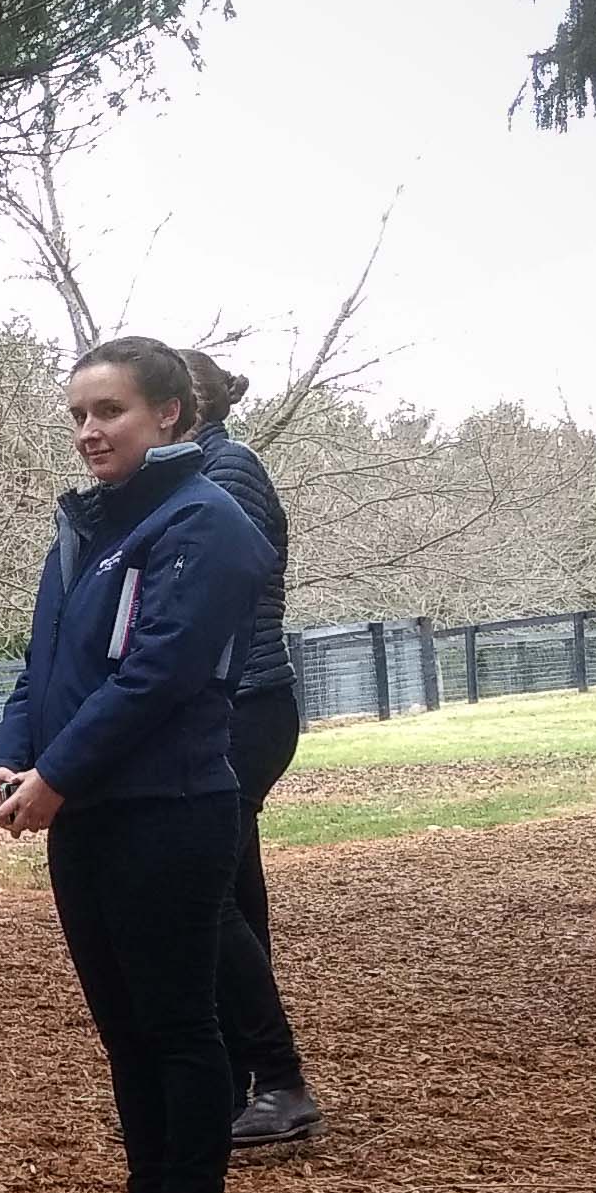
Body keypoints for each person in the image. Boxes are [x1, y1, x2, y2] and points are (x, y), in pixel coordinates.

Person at [0, 336, 276, 1193]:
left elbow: (156, 676)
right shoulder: (86, 529)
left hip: (170, 811)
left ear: (171, 417)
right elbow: (42, 668)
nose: (89, 431)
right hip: (89, 817)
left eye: (108, 411)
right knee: (124, 1030)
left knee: (179, 1024)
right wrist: (7, 760)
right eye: (77, 414)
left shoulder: (209, 525)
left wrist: (57, 775)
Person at [182, 348, 322, 1150]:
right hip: (233, 710)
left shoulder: (226, 472)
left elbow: (216, 591)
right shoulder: (206, 468)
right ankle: (247, 1080)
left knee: (206, 895)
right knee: (234, 891)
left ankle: (279, 1080)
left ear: (180, 406)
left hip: (244, 710)